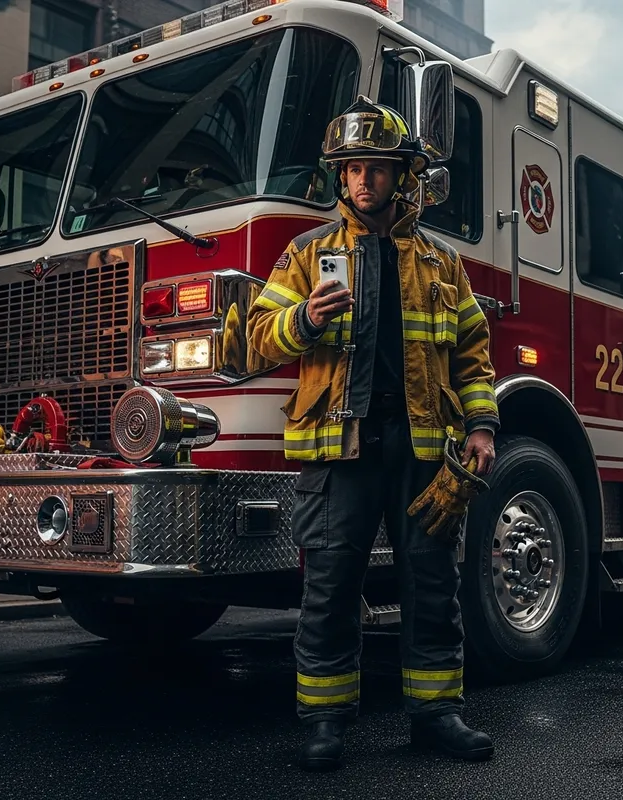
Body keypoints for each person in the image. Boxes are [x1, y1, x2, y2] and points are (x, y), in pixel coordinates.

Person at [248, 97, 500, 772]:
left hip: (422, 446)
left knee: (433, 583)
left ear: (402, 176)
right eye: (353, 168)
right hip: (341, 447)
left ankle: (436, 715)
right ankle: (325, 722)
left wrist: (481, 426)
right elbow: (254, 342)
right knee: (330, 588)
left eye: (378, 168)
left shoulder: (442, 263)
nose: (364, 180)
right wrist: (303, 319)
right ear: (341, 175)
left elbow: (473, 356)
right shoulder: (308, 255)